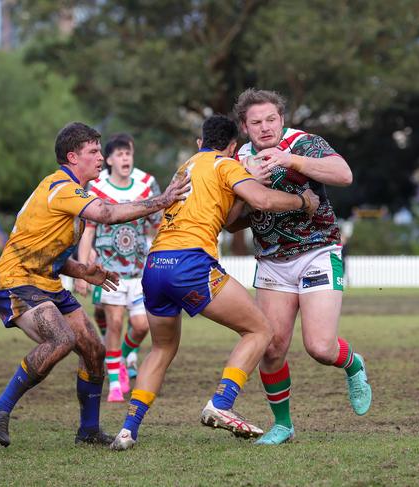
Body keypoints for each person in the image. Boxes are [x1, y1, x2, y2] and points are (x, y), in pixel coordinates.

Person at [110, 114, 320, 450]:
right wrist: (301, 201)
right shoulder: (225, 164)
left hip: (155, 265)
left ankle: (127, 429)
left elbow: (222, 215)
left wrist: (242, 188)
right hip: (190, 263)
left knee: (162, 348)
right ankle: (221, 404)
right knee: (260, 331)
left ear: (200, 142)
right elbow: (263, 201)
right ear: (233, 147)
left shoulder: (188, 166)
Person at [0, 122, 189, 447]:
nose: (99, 158)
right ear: (72, 156)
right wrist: (161, 200)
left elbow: (46, 248)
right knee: (61, 339)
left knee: (94, 350)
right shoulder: (61, 187)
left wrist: (83, 271)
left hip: (45, 280)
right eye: (93, 152)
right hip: (16, 281)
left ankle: (88, 429)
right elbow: (106, 214)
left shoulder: (75, 193)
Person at [228, 88, 371, 445]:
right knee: (271, 348)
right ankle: (283, 424)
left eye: (271, 120)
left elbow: (344, 173)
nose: (265, 128)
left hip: (317, 252)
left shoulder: (304, 143)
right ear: (245, 127)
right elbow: (230, 224)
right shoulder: (239, 159)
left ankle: (353, 364)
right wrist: (250, 191)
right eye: (256, 122)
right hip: (272, 262)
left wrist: (293, 162)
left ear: (282, 120)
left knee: (320, 347)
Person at [76, 137, 158, 402]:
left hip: (138, 270)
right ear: (109, 160)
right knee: (113, 322)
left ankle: (120, 357)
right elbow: (88, 231)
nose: (125, 159)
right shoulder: (97, 188)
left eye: (128, 154)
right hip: (108, 272)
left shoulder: (146, 187)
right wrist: (83, 269)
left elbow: (157, 225)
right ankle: (114, 384)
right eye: (120, 154)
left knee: (142, 325)